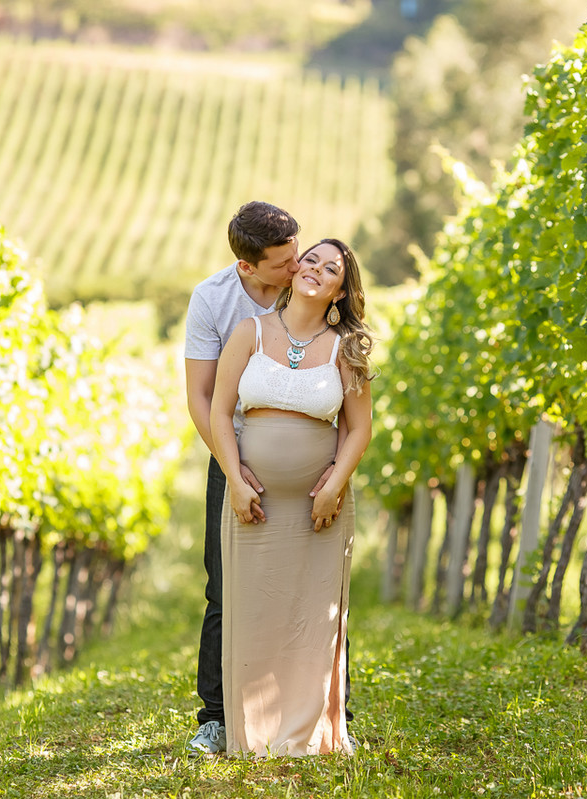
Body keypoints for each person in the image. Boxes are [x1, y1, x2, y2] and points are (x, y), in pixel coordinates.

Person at [184, 201, 340, 754]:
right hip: (233, 452)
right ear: (247, 267)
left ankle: (328, 711)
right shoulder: (214, 300)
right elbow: (201, 397)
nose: (299, 267)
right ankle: (217, 718)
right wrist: (234, 470)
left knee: (319, 588)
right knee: (225, 586)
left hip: (311, 470)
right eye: (285, 262)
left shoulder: (312, 290)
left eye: (300, 253)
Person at [208, 238, 375, 756]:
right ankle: (253, 734)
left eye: (331, 269)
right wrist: (235, 481)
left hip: (319, 509)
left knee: (313, 615)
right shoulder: (250, 332)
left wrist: (334, 487)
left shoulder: (346, 348)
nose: (316, 270)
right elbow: (219, 413)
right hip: (253, 506)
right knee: (253, 614)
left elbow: (359, 429)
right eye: (312, 260)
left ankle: (307, 733)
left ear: (340, 291)